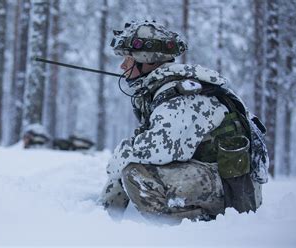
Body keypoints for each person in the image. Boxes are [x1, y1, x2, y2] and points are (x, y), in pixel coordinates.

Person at [99, 20, 269, 223]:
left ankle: (192, 228)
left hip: (233, 191)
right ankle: (106, 219)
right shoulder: (167, 88)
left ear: (148, 60)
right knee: (132, 162)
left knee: (136, 173)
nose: (122, 66)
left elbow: (159, 150)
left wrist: (120, 156)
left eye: (128, 59)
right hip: (219, 178)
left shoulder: (180, 95)